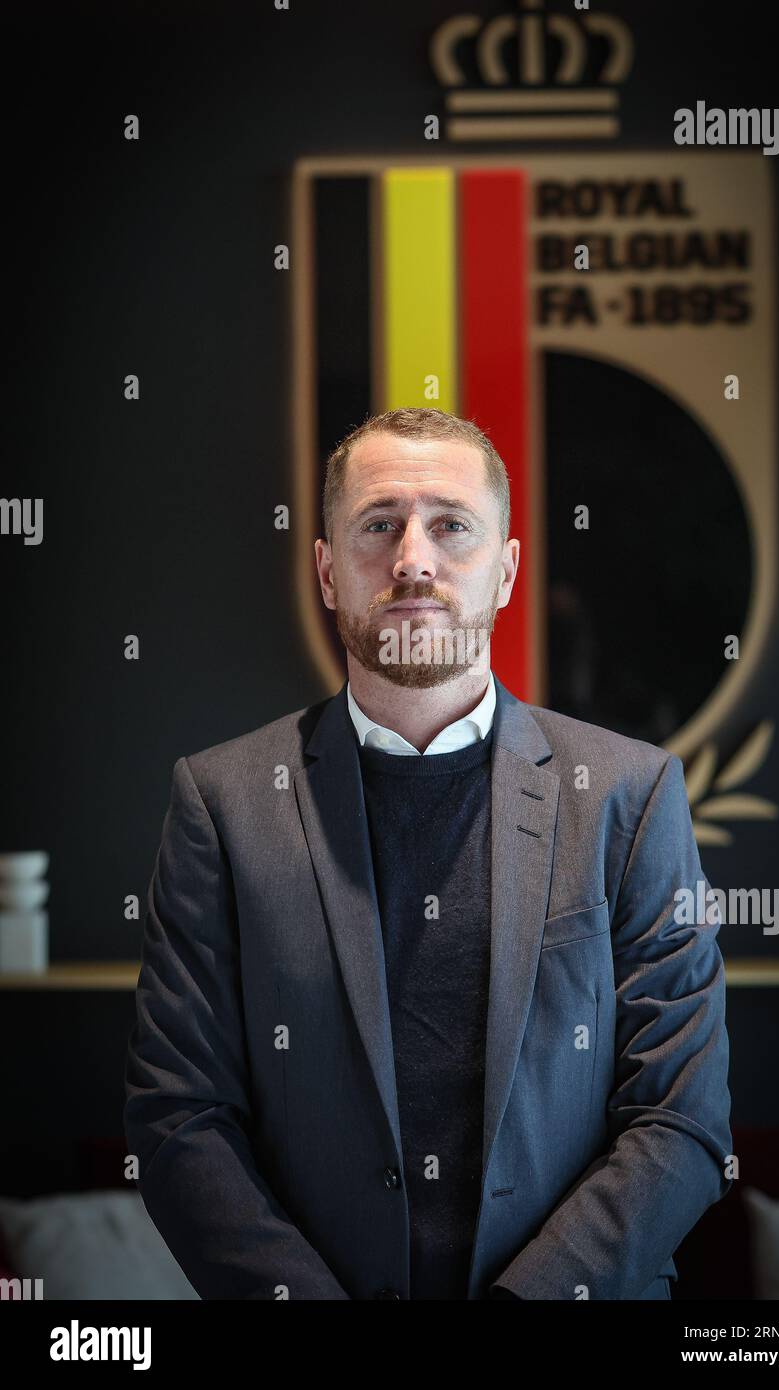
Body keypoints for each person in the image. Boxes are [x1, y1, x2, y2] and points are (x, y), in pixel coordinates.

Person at [124, 406, 733, 1300]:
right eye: (380, 525)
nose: (413, 558)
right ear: (328, 571)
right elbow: (181, 1117)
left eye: (451, 526)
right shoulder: (222, 803)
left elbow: (680, 1117)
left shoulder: (629, 796)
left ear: (507, 573)